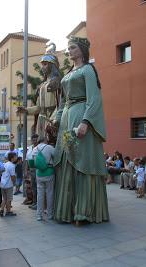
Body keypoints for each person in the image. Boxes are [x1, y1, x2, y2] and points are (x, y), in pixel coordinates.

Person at [53, 36, 109, 225]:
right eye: (68, 48)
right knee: (67, 162)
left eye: (73, 47)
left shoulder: (88, 70)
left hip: (81, 116)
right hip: (67, 120)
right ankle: (67, 210)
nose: (69, 51)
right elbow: (62, 102)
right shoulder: (68, 74)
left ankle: (83, 212)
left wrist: (86, 121)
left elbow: (94, 99)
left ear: (82, 50)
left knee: (81, 162)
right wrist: (55, 119)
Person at [17, 49, 61, 143]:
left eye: (45, 64)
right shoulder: (42, 85)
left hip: (52, 119)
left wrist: (54, 119)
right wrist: (26, 110)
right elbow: (38, 107)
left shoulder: (57, 82)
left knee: (51, 144)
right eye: (42, 64)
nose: (42, 67)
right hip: (42, 119)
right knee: (41, 145)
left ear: (52, 65)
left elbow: (60, 104)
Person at [32, 137, 55, 221]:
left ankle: (39, 215)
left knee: (40, 195)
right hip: (49, 172)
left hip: (39, 173)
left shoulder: (35, 149)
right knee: (49, 193)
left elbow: (32, 162)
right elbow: (56, 155)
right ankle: (50, 215)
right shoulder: (49, 147)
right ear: (45, 141)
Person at [0, 152, 17, 217]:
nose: (16, 158)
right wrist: (14, 183)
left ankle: (1, 210)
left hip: (2, 184)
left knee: (4, 198)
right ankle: (8, 211)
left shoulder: (5, 164)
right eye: (15, 156)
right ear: (12, 158)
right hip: (8, 184)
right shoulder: (12, 166)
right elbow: (13, 176)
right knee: (9, 199)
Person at [26, 134, 39, 209]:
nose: (34, 141)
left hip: (37, 169)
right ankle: (34, 202)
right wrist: (26, 170)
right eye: (33, 140)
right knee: (33, 187)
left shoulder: (39, 148)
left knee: (38, 187)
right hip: (31, 169)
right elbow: (27, 159)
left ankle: (38, 203)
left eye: (36, 139)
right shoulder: (30, 148)